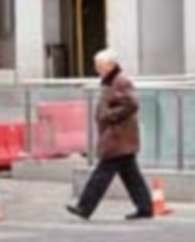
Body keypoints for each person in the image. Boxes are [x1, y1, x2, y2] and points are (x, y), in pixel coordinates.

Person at [66, 48, 154, 221]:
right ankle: (145, 208)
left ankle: (84, 207)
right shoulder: (110, 81)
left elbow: (132, 104)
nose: (97, 68)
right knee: (131, 176)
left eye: (99, 65)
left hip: (118, 137)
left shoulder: (120, 81)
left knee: (102, 173)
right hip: (119, 137)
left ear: (110, 65)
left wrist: (109, 116)